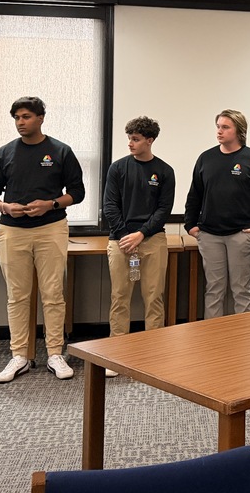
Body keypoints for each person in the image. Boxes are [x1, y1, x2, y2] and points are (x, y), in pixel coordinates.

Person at [0, 96, 85, 383]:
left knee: (53, 293)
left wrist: (50, 204)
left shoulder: (60, 151)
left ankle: (55, 353)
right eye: (16, 118)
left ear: (40, 118)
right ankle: (20, 356)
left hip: (51, 228)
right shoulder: (5, 153)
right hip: (12, 230)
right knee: (17, 295)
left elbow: (77, 192)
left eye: (26, 117)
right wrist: (5, 207)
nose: (20, 122)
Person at [184, 110, 250, 317]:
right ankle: (213, 338)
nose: (219, 131)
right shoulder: (206, 158)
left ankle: (241, 340)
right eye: (218, 126)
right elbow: (194, 196)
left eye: (225, 127)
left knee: (242, 290)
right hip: (209, 235)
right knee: (214, 290)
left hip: (241, 235)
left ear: (239, 130)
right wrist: (190, 225)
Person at [102, 116, 174, 375]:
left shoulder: (164, 171)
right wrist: (126, 237)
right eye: (129, 139)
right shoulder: (118, 168)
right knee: (119, 297)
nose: (130, 144)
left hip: (152, 240)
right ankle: (117, 354)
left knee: (153, 297)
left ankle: (152, 353)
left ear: (149, 140)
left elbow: (164, 209)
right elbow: (110, 205)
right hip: (121, 241)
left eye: (136, 139)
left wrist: (141, 235)